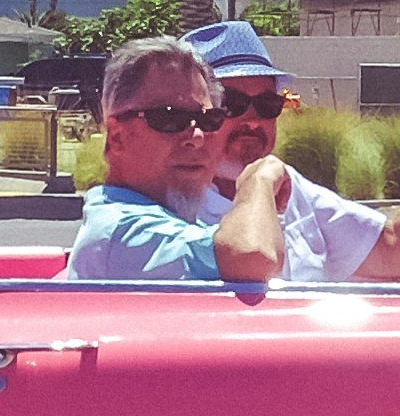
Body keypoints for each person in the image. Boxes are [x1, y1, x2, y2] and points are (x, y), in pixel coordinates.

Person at [172, 20, 400, 284]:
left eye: (267, 104)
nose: (253, 121)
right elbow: (250, 263)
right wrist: (257, 185)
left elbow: (393, 247)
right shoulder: (163, 207)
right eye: (232, 104)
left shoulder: (287, 186)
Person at [64, 36, 286, 286]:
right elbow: (252, 256)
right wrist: (258, 181)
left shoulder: (168, 220)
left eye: (210, 120)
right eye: (169, 119)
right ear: (117, 136)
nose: (197, 137)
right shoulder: (124, 231)